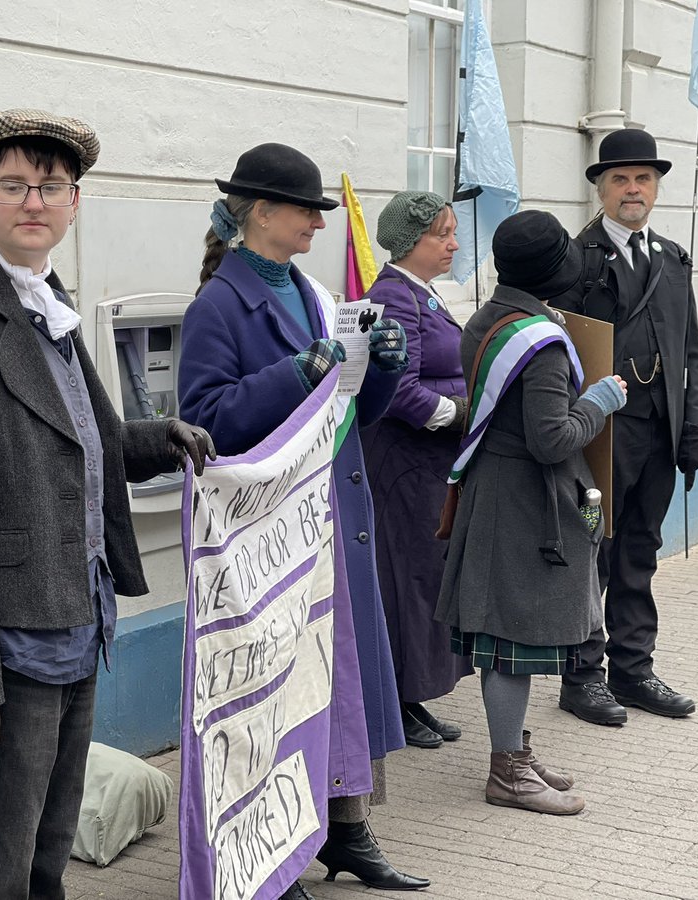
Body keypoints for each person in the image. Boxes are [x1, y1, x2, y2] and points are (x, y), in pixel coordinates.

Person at [0, 108, 215, 900]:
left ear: (74, 201)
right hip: (6, 638)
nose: (33, 202)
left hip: (77, 613)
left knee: (46, 849)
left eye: (51, 186)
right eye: (13, 185)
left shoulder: (48, 300)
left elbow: (90, 435)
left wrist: (159, 435)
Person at [178, 142, 428, 895]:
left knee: (337, 677)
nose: (318, 222)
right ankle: (271, 853)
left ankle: (346, 831)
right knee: (280, 692)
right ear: (260, 213)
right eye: (304, 210)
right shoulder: (217, 304)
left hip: (329, 513)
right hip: (270, 535)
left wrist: (377, 365)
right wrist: (298, 371)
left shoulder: (312, 293)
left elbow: (355, 413)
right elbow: (204, 422)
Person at [436, 210, 629, 815]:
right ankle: (507, 773)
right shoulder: (539, 341)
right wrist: (600, 400)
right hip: (526, 502)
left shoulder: (488, 318)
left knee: (502, 632)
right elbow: (551, 438)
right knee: (510, 640)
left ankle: (514, 748)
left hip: (495, 490)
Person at [553, 128, 698, 726]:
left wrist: (695, 427)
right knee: (594, 549)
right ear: (600, 189)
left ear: (656, 188)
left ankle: (634, 669)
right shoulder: (576, 259)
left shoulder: (672, 258)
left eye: (643, 179)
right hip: (599, 437)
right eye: (620, 178)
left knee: (640, 551)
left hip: (658, 432)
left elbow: (689, 350)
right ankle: (583, 676)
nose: (633, 189)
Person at [359, 191, 474, 750]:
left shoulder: (422, 294)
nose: (453, 243)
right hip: (404, 465)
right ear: (411, 243)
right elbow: (399, 387)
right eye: (442, 235)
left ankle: (413, 696)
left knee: (426, 576)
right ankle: (398, 699)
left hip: (429, 463)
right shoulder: (393, 296)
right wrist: (460, 413)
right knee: (406, 579)